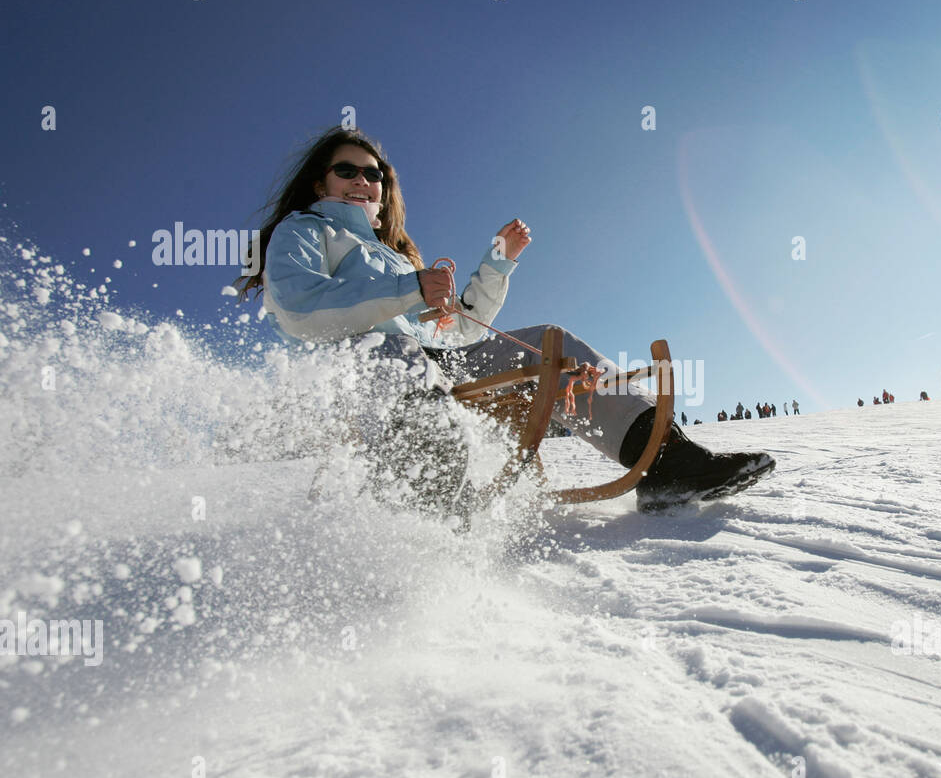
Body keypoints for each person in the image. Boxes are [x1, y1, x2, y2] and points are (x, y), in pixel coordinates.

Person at [235, 127, 774, 513]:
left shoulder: (396, 254)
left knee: (548, 344)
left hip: (436, 361)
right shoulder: (306, 230)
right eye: (346, 170)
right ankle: (435, 504)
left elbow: (460, 330)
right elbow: (301, 305)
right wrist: (405, 289)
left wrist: (497, 261)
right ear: (318, 182)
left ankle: (665, 465)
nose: (362, 180)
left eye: (372, 174)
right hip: (365, 367)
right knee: (392, 354)